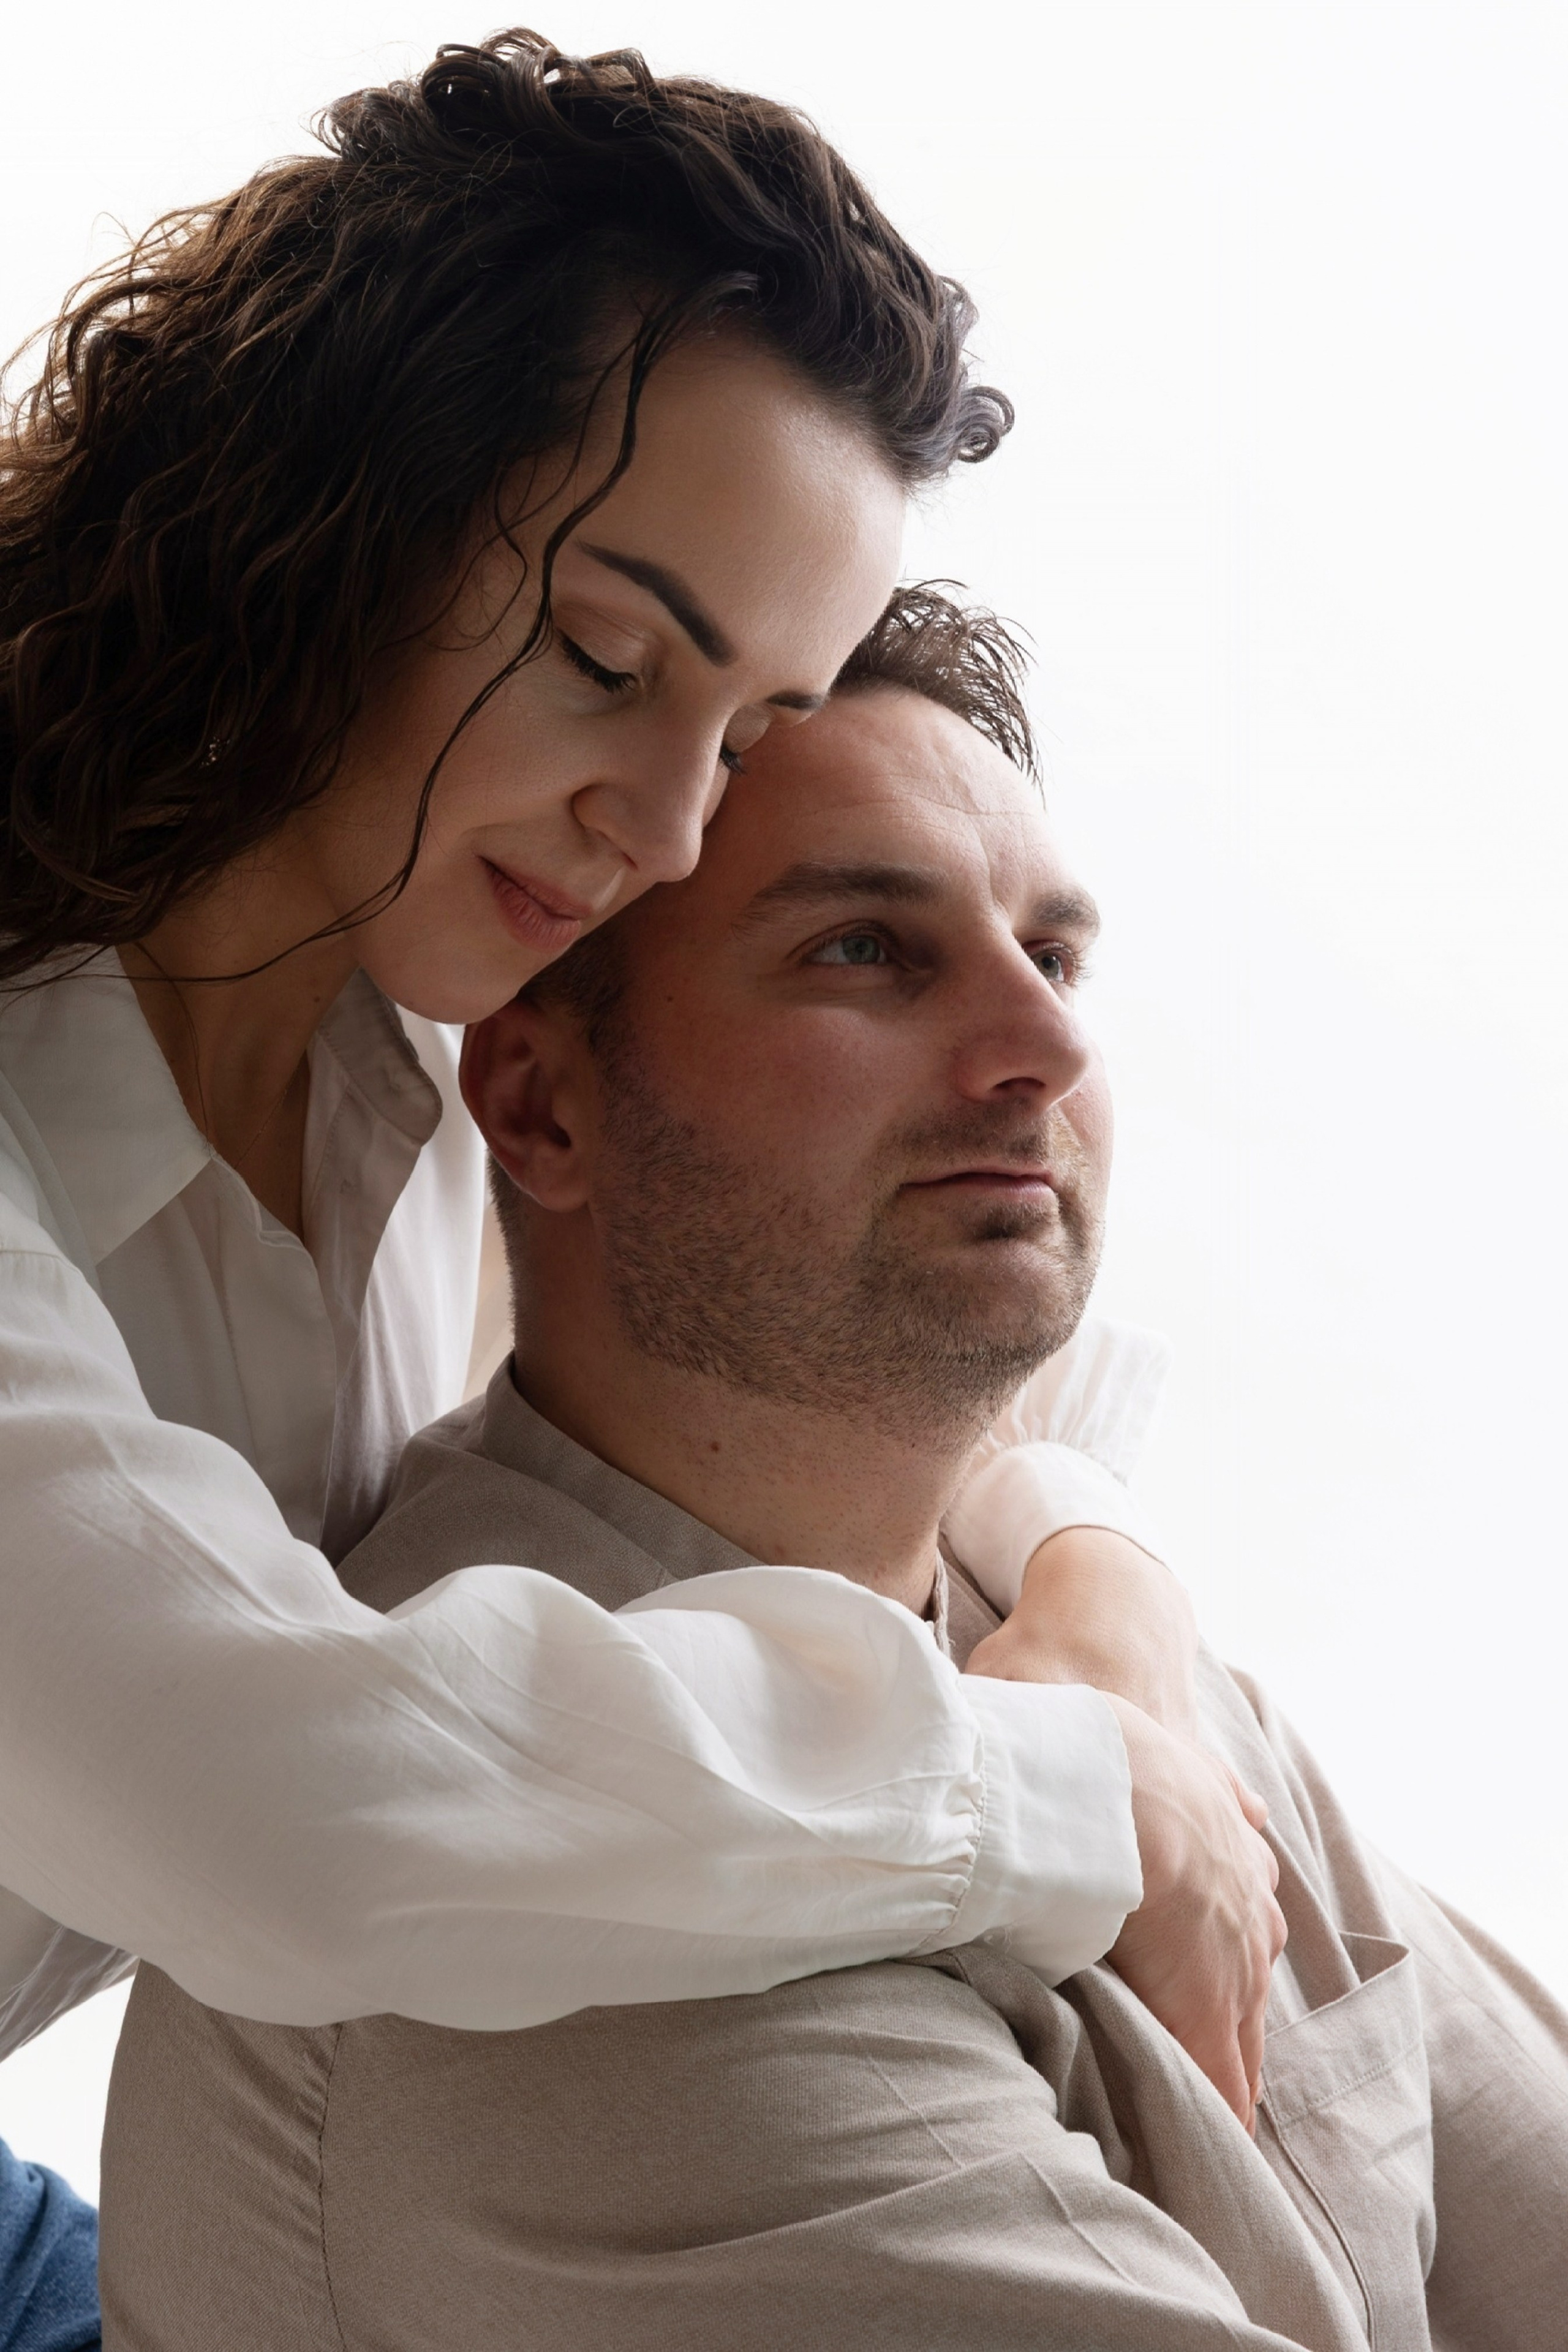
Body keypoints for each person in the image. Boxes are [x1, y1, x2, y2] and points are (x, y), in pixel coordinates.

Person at [0, 30, 1269, 2344]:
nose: (672, 831)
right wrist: (1071, 1794)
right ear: (324, 499)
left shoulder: (441, 1038)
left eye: (754, 732)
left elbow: (908, 1302)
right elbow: (293, 1817)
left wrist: (1103, 1607)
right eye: (610, 660)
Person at [99, 591, 1568, 2351]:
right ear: (542, 1109)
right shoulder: (565, 1962)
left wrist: (1101, 1578)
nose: (1049, 1044)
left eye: (1058, 953)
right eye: (867, 948)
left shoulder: (1138, 1674)